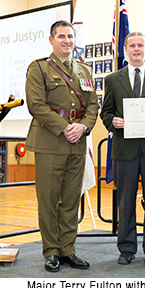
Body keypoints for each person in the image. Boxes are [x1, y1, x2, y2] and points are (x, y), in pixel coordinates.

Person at [25, 20, 98, 272]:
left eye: (70, 36)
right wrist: (64, 126)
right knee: (49, 199)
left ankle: (68, 249)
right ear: (51, 40)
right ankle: (51, 251)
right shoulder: (39, 68)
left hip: (77, 142)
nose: (67, 40)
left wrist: (83, 127)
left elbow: (92, 107)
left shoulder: (84, 71)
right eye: (61, 36)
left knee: (70, 199)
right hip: (50, 142)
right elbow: (36, 105)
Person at [100, 32, 145, 266]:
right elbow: (106, 112)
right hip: (124, 149)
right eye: (132, 45)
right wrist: (113, 123)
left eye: (141, 45)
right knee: (125, 202)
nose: (137, 49)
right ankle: (127, 249)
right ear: (126, 49)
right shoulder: (113, 79)